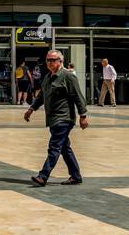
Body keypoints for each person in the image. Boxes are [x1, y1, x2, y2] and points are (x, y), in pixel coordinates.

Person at [24, 48, 89, 186]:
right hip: (53, 119)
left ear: (61, 61)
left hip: (64, 118)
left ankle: (43, 176)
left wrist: (83, 115)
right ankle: (76, 176)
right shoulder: (48, 77)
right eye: (47, 60)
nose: (49, 62)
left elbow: (78, 96)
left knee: (54, 147)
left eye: (52, 60)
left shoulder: (68, 76)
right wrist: (31, 109)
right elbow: (42, 96)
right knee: (65, 148)